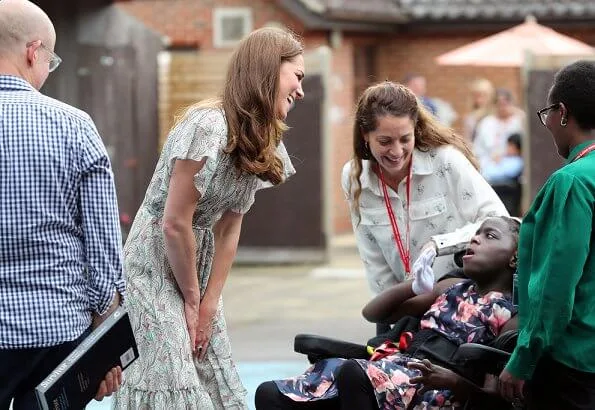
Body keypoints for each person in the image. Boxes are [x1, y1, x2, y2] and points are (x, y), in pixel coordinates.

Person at [112, 27, 305, 409]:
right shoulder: (206, 125)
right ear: (268, 70)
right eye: (297, 76)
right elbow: (174, 222)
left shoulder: (263, 137)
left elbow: (230, 226)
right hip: (153, 262)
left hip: (196, 263)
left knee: (208, 360)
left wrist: (209, 302)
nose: (300, 91)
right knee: (170, 372)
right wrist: (189, 297)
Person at [255, 216, 520, 409]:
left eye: (490, 236)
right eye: (477, 233)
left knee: (353, 374)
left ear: (515, 258)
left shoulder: (511, 317)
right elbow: (374, 313)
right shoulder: (452, 287)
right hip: (395, 369)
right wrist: (414, 286)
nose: (475, 238)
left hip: (435, 390)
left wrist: (453, 382)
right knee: (269, 394)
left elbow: (496, 400)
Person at [0, 1, 124, 408]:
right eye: (49, 62)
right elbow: (104, 248)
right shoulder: (73, 125)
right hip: (60, 334)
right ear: (33, 52)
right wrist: (105, 345)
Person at [342, 81, 508, 298]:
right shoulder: (354, 177)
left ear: (415, 129)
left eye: (405, 139)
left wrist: (439, 244)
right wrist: (391, 310)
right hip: (400, 305)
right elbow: (372, 258)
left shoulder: (446, 161)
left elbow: (500, 222)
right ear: (365, 134)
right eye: (384, 141)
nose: (396, 151)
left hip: (457, 302)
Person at [499, 60, 595, 409]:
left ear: (563, 113)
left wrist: (524, 358)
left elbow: (556, 284)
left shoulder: (572, 181)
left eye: (548, 113)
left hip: (574, 362)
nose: (548, 124)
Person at [473, 88, 525, 168]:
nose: (502, 108)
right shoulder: (486, 123)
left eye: (505, 104)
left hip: (513, 165)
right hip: (488, 164)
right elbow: (478, 148)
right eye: (499, 104)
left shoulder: (518, 121)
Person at [462, 78, 495, 142]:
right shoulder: (469, 118)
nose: (479, 99)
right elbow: (467, 139)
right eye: (476, 95)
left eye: (484, 95)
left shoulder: (496, 114)